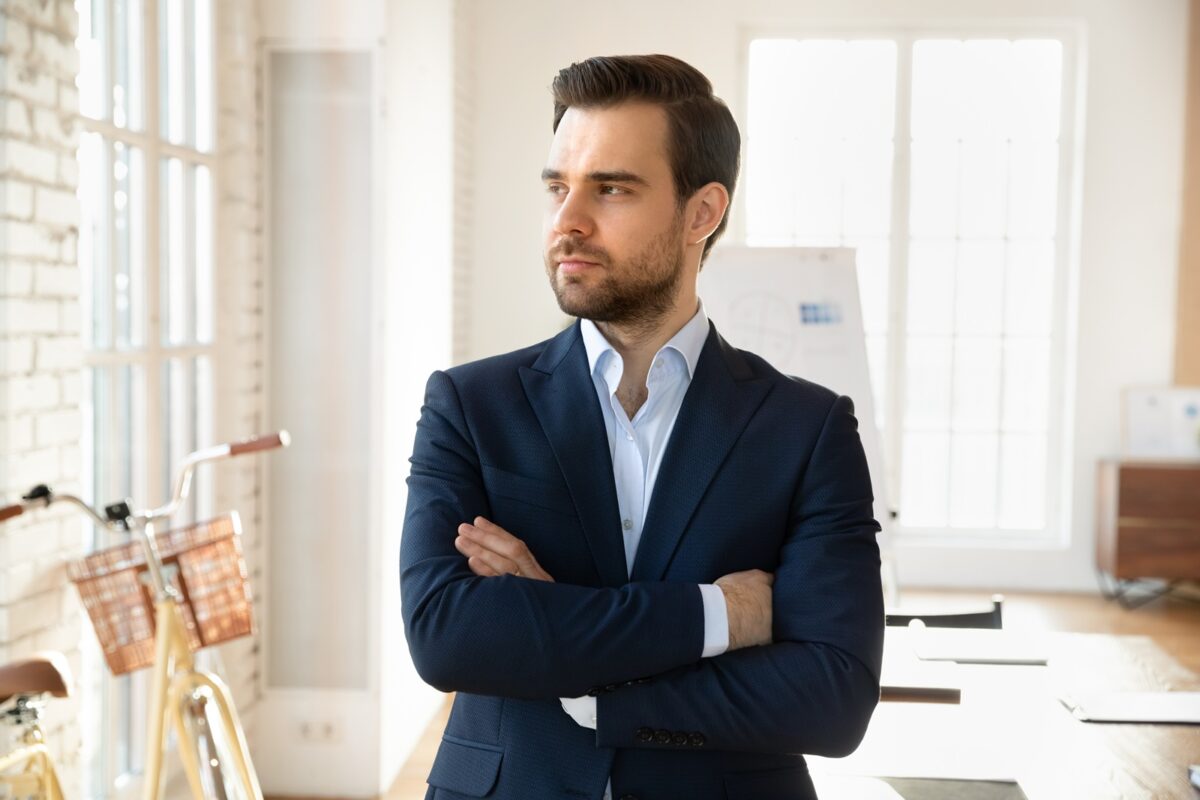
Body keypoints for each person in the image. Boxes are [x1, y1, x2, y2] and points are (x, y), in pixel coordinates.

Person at [400, 53, 884, 800]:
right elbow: (446, 635)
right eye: (558, 188)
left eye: (612, 189)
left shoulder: (807, 428)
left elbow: (833, 696)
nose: (568, 221)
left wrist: (580, 677)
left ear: (702, 212)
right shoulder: (470, 404)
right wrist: (720, 614)